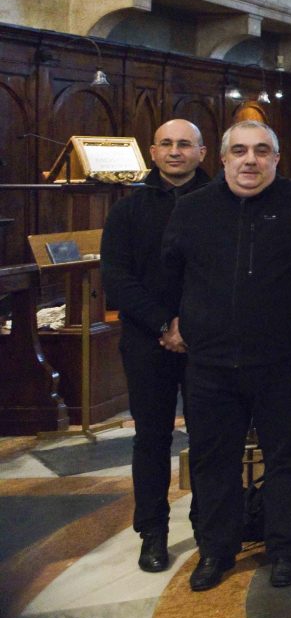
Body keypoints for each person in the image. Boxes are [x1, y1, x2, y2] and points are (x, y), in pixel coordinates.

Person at [161, 121, 291, 592]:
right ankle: (216, 551)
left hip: (281, 361)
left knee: (287, 459)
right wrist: (170, 321)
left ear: (276, 159)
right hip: (210, 363)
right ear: (222, 158)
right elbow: (169, 273)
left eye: (261, 151)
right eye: (241, 151)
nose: (251, 160)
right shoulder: (192, 209)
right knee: (213, 461)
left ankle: (287, 549)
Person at [102, 119, 210, 574]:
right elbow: (117, 278)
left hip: (208, 339)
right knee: (151, 439)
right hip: (147, 338)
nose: (174, 151)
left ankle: (210, 527)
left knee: (209, 438)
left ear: (202, 153)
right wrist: (164, 323)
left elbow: (222, 273)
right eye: (166, 144)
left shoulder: (220, 203)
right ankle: (153, 531)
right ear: (152, 151)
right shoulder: (128, 210)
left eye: (184, 144)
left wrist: (192, 323)